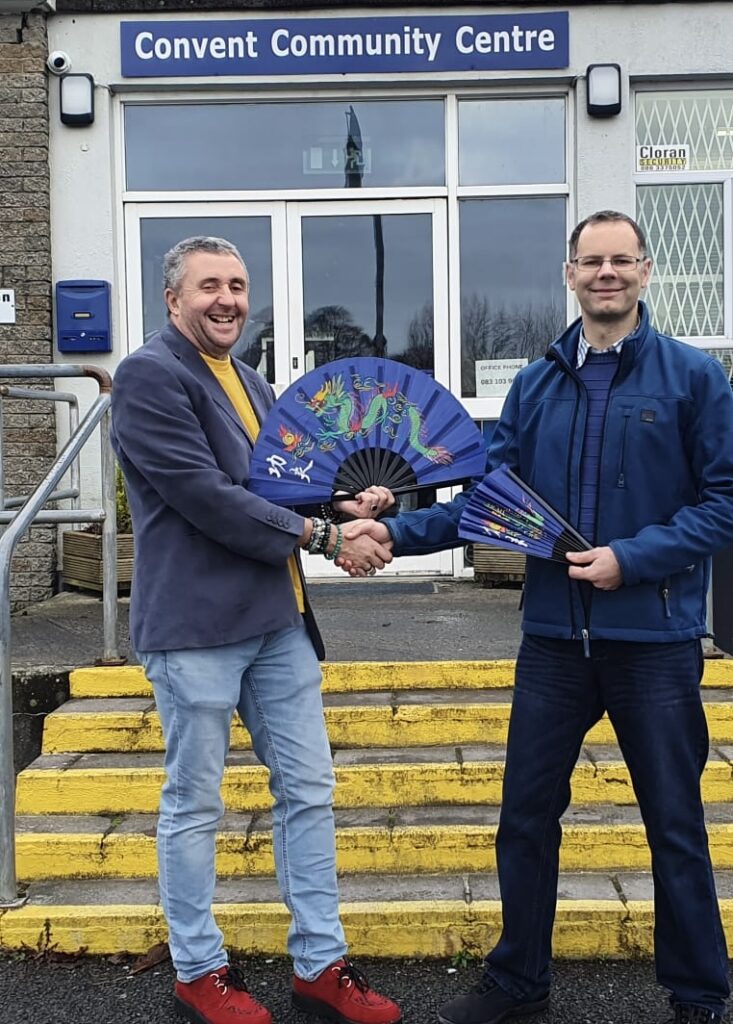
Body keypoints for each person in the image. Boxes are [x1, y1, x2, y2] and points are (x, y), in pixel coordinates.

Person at [344, 211, 733, 1024]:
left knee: (674, 825)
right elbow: (494, 506)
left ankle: (698, 995)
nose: (606, 274)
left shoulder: (693, 379)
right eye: (591, 261)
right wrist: (397, 531)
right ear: (569, 274)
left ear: (645, 270)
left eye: (620, 260)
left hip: (653, 642)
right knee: (524, 817)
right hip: (554, 642)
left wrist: (634, 558)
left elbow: (723, 504)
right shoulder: (536, 383)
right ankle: (517, 982)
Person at [110, 235, 401, 1024]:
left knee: (308, 792)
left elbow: (280, 483)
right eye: (209, 285)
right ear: (173, 299)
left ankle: (319, 968)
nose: (227, 299)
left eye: (237, 284)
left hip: (276, 621)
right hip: (196, 628)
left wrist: (345, 507)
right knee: (195, 804)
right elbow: (204, 495)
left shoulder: (247, 378)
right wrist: (324, 539)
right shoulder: (148, 375)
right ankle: (199, 973)